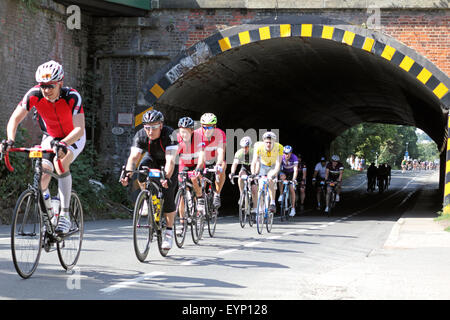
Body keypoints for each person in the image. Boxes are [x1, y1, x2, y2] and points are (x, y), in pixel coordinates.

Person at [1, 60, 86, 234]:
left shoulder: (72, 96)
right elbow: (15, 119)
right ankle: (50, 214)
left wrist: (64, 144)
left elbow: (79, 129)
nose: (46, 90)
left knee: (61, 164)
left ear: (60, 83)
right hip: (51, 136)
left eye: (50, 86)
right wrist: (10, 140)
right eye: (43, 86)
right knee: (42, 176)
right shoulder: (34, 94)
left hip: (73, 137)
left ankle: (65, 215)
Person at [120, 109, 178, 250]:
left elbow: (170, 160)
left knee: (168, 193)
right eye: (147, 127)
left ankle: (169, 233)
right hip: (152, 158)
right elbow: (133, 158)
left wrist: (167, 178)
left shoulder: (170, 134)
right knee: (141, 170)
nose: (150, 131)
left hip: (168, 160)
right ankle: (146, 197)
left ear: (161, 125)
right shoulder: (140, 135)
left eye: (154, 127)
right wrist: (127, 174)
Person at [193, 113, 226, 209]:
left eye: (210, 127)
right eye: (204, 127)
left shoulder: (220, 134)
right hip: (201, 160)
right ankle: (199, 207)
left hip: (215, 160)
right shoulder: (197, 134)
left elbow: (221, 151)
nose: (207, 130)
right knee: (199, 182)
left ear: (214, 127)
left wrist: (218, 164)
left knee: (223, 165)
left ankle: (217, 194)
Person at [176, 116, 205, 217]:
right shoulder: (177, 138)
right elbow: (171, 156)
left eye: (186, 132)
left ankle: (200, 197)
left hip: (197, 164)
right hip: (184, 164)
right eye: (181, 131)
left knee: (194, 177)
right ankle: (182, 222)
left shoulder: (199, 137)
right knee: (182, 195)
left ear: (192, 131)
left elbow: (202, 156)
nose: (183, 134)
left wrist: (198, 169)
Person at [251, 131, 283, 214]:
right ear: (263, 142)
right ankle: (260, 207)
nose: (268, 144)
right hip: (263, 165)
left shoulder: (279, 147)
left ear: (274, 142)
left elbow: (278, 164)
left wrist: (273, 174)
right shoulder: (258, 146)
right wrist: (253, 174)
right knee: (260, 185)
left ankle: (272, 202)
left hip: (273, 166)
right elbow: (254, 162)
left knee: (270, 179)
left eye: (270, 142)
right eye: (266, 142)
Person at [229, 136, 257, 214]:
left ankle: (255, 209)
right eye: (243, 147)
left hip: (253, 169)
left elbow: (257, 164)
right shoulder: (239, 152)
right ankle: (242, 194)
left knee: (254, 189)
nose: (245, 149)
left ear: (250, 146)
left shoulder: (254, 152)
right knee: (241, 175)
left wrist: (255, 174)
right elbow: (235, 163)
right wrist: (232, 173)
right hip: (245, 168)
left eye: (246, 147)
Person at [278, 145, 298, 217]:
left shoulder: (294, 157)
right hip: (284, 171)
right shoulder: (281, 157)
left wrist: (293, 179)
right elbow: (278, 167)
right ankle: (281, 194)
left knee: (291, 189)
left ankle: (293, 208)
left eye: (288, 153)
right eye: (285, 153)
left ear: (291, 153)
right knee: (281, 178)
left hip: (291, 173)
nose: (287, 155)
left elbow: (295, 170)